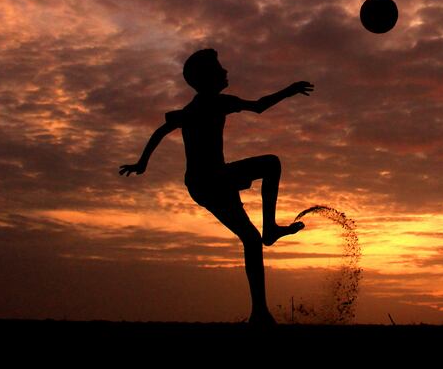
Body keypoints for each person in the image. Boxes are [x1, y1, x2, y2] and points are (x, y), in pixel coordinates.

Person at [120, 48, 313, 325]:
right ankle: (269, 229)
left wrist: (142, 163)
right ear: (207, 78)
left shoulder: (194, 108)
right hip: (212, 180)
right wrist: (289, 90)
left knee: (250, 239)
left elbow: (162, 130)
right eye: (219, 69)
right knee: (271, 163)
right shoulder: (214, 104)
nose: (225, 72)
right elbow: (259, 106)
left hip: (202, 185)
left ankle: (259, 312)